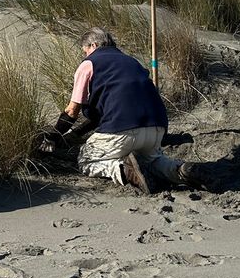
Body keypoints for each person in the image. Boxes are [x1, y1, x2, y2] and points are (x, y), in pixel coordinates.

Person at [65, 27, 210, 193]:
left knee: (86, 159)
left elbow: (72, 110)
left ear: (93, 45)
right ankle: (180, 169)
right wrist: (76, 133)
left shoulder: (89, 64)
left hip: (122, 129)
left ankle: (124, 171)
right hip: (156, 128)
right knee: (151, 160)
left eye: (85, 52)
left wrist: (54, 136)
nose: (85, 56)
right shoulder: (131, 61)